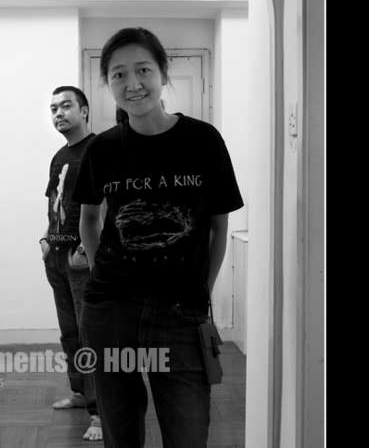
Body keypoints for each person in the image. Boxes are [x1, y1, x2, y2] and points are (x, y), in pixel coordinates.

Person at [73, 28, 244, 447]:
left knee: (188, 432)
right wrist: (99, 274)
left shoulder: (203, 140)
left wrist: (202, 290)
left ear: (163, 73)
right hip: (112, 312)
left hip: (180, 312)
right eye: (118, 74)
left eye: (143, 70)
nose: (132, 84)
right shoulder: (103, 149)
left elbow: (218, 226)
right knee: (121, 433)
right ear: (107, 83)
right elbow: (89, 219)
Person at [40, 85, 102, 441]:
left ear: (84, 111)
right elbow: (55, 203)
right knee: (69, 332)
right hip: (57, 258)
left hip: (83, 260)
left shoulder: (98, 150)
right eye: (54, 109)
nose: (59, 113)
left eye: (66, 106)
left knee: (89, 333)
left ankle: (100, 412)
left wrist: (88, 251)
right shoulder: (59, 155)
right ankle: (80, 392)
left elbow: (107, 206)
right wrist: (46, 240)